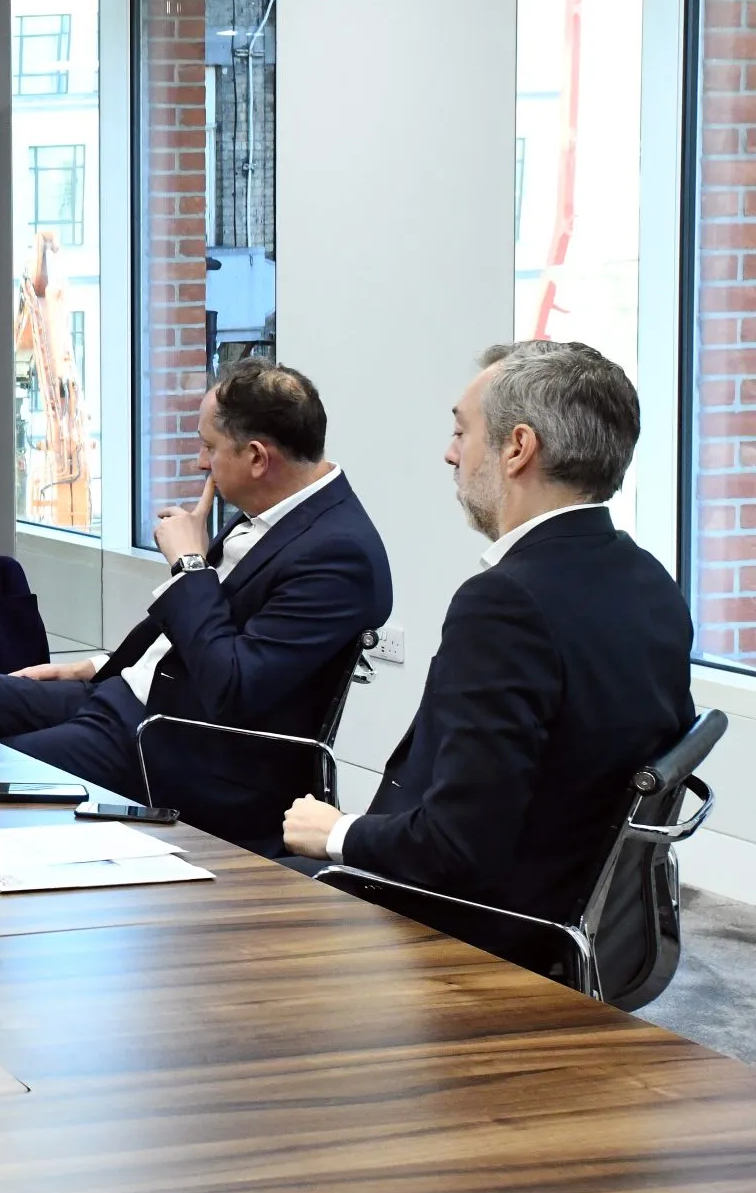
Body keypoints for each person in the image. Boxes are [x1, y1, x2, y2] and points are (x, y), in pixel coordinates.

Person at [0, 359, 391, 854]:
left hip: (177, 744)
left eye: (209, 447)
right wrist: (92, 666)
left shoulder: (339, 554)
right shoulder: (274, 511)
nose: (201, 464)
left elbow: (236, 687)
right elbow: (196, 633)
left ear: (255, 458)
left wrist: (189, 564)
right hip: (127, 697)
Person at [284, 341, 693, 919]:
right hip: (577, 908)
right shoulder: (649, 579)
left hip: (476, 927)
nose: (451, 454)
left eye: (462, 431)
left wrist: (335, 832)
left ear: (518, 448)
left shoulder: (506, 604)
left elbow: (454, 851)